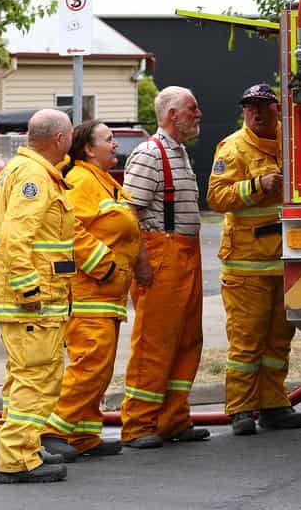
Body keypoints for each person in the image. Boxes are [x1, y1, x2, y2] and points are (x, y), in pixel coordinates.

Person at [207, 84, 301, 435]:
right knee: (246, 342)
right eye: (250, 107)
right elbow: (216, 197)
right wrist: (256, 186)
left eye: (263, 106)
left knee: (278, 340)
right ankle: (241, 409)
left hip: (286, 259)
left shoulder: (292, 139)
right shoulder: (233, 148)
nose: (257, 113)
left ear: (277, 109)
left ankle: (274, 404)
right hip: (246, 265)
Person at [39, 121, 140, 460]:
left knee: (101, 366)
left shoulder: (104, 181)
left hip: (107, 294)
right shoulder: (81, 180)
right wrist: (105, 265)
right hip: (90, 292)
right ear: (88, 148)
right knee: (90, 364)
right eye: (108, 139)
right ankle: (53, 431)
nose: (115, 144)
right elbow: (71, 229)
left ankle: (83, 434)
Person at [0, 109, 74, 484]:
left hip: (28, 299)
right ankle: (18, 459)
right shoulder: (35, 177)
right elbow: (16, 238)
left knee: (25, 377)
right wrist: (27, 289)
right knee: (37, 378)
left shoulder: (16, 173)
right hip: (34, 303)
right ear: (59, 139)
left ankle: (25, 446)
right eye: (68, 136)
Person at [119, 87, 210, 449]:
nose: (199, 114)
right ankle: (139, 424)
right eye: (193, 108)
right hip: (162, 255)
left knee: (188, 339)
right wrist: (141, 263)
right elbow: (130, 216)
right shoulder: (149, 154)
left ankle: (173, 419)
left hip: (185, 253)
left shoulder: (178, 153)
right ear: (173, 114)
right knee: (154, 344)